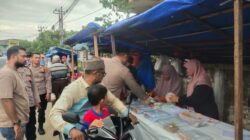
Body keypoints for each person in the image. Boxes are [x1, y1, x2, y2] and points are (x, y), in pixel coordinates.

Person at [49, 58, 141, 140]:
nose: (104, 76)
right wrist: (71, 129)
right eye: (103, 73)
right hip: (80, 133)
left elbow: (113, 100)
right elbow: (54, 114)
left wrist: (126, 113)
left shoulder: (100, 86)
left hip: (100, 130)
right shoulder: (72, 89)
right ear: (96, 73)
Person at [0, 46, 29, 140]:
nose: (26, 59)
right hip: (12, 126)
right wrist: (16, 124)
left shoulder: (14, 71)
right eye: (23, 56)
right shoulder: (6, 74)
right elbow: (6, 100)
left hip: (17, 123)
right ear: (13, 56)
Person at [30, 53, 52, 135]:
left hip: (42, 93)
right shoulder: (27, 69)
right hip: (31, 94)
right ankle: (32, 127)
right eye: (36, 58)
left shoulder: (45, 69)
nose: (38, 59)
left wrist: (48, 92)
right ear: (31, 59)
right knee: (31, 112)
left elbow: (48, 80)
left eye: (39, 58)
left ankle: (40, 127)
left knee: (42, 111)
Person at [17, 66, 40, 140]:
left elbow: (34, 86)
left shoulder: (27, 69)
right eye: (22, 56)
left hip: (30, 104)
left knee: (31, 127)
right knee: (19, 130)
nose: (25, 58)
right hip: (18, 107)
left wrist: (37, 100)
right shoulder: (10, 71)